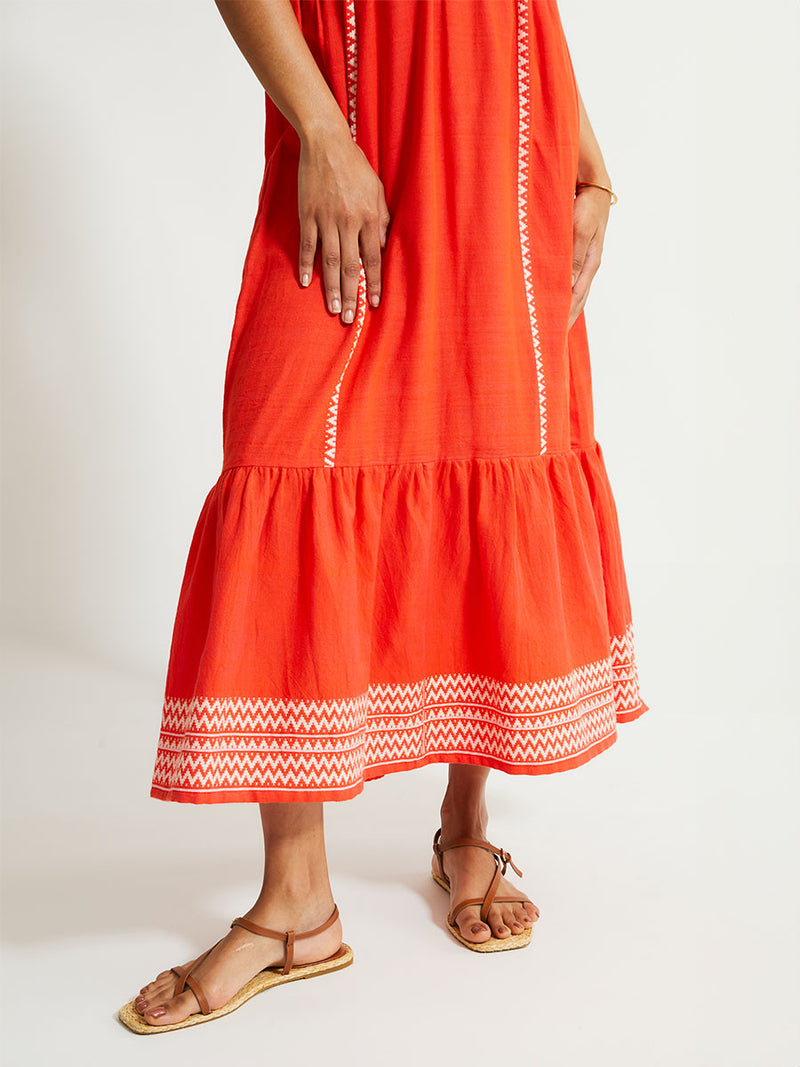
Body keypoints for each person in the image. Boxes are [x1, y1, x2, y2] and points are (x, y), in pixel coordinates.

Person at [120, 0, 649, 1034]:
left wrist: (590, 163)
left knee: (484, 447)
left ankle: (464, 824)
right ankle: (294, 903)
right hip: (350, 119)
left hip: (508, 148)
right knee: (285, 459)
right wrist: (320, 130)